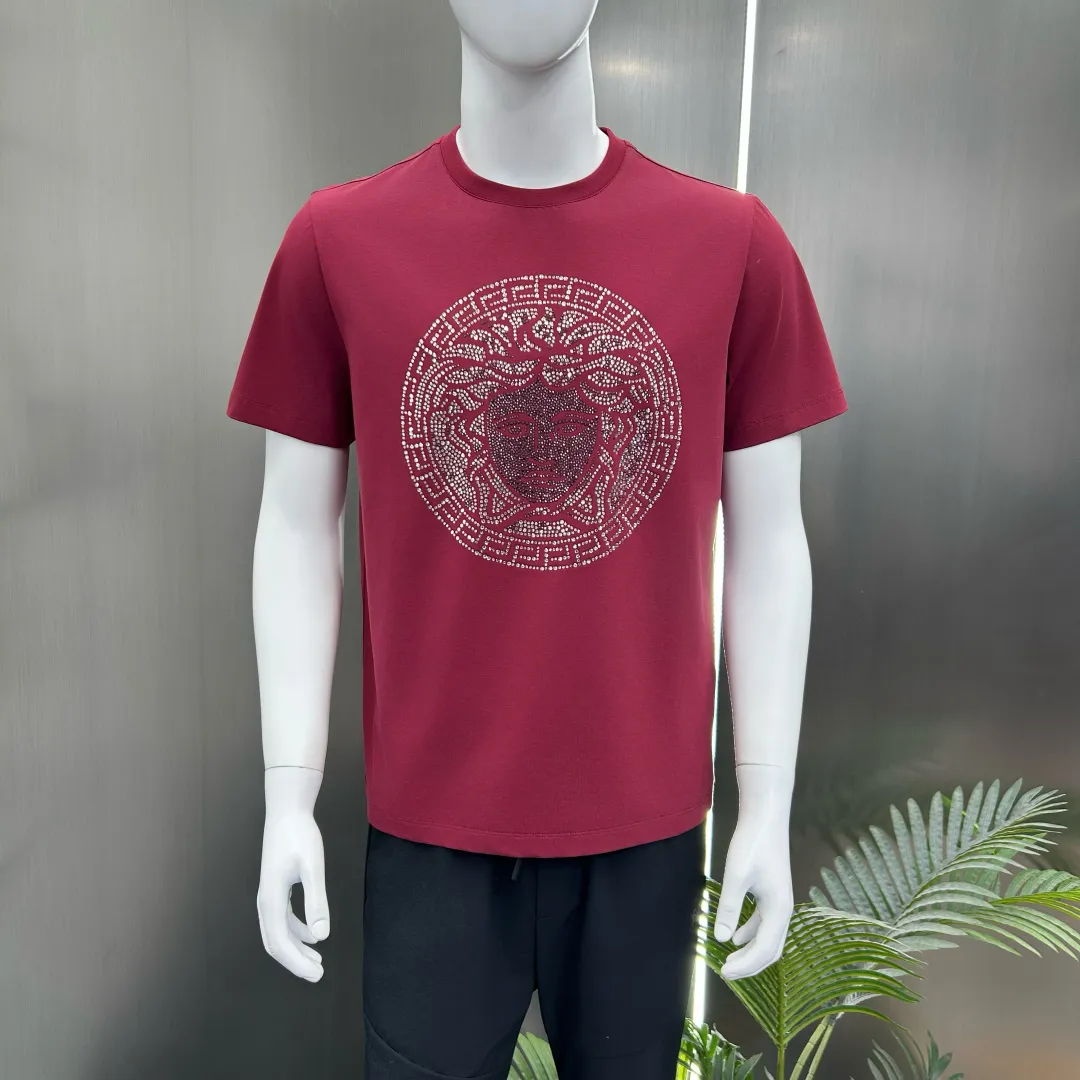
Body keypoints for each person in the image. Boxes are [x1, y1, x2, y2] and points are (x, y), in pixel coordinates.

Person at [226, 2, 848, 1076]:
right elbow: (292, 527)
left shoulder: (733, 245)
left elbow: (770, 545)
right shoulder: (338, 240)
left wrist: (767, 802)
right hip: (430, 823)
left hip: (645, 824)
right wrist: (289, 794)